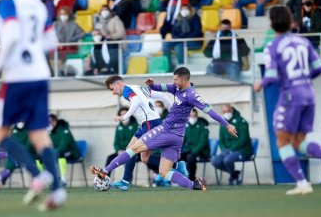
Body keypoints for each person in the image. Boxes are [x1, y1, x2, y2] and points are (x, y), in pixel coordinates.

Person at [0, 0, 65, 210]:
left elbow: (10, 36)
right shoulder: (39, 5)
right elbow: (51, 41)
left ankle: (37, 174)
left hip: (17, 77)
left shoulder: (7, 4)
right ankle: (59, 191)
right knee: (39, 135)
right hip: (40, 74)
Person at [91, 67, 238, 191]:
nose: (173, 82)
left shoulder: (192, 95)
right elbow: (161, 90)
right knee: (164, 172)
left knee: (132, 149)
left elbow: (210, 111)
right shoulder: (176, 88)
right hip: (177, 137)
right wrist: (152, 85)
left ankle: (106, 171)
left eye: (175, 79)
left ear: (184, 80)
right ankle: (194, 184)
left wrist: (227, 124)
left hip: (165, 130)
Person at [253, 6, 321, 195]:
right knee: (297, 141)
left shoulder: (273, 45)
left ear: (272, 24)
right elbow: (319, 68)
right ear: (290, 22)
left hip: (290, 96)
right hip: (308, 94)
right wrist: (303, 79)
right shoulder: (303, 42)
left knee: (282, 140)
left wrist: (259, 83)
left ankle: (308, 176)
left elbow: (270, 76)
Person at [102, 75, 187, 191]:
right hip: (151, 122)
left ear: (119, 84)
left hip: (149, 124)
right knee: (144, 158)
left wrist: (124, 117)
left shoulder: (127, 90)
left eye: (112, 89)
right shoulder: (140, 88)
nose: (113, 93)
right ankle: (177, 165)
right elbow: (162, 95)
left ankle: (125, 181)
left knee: (130, 150)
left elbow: (136, 101)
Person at [212, 104, 252, 185]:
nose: (226, 113)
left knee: (227, 159)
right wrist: (223, 150)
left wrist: (231, 149)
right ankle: (235, 174)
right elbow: (221, 140)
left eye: (228, 111)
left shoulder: (241, 121)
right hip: (228, 150)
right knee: (215, 161)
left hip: (242, 150)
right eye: (224, 112)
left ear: (232, 111)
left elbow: (244, 139)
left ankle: (233, 177)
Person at [0, 122, 35, 187]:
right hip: (16, 155)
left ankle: (0, 178)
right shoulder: (13, 130)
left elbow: (28, 146)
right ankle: (0, 179)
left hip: (28, 154)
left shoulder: (28, 130)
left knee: (15, 160)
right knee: (12, 160)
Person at [164, 3, 203, 68]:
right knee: (166, 45)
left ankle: (182, 68)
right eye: (182, 9)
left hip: (194, 41)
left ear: (190, 10)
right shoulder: (178, 19)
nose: (184, 10)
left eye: (186, 9)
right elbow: (173, 32)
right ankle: (169, 65)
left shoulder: (196, 18)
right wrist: (179, 38)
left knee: (178, 47)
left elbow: (197, 32)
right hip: (180, 40)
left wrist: (184, 39)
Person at [48, 114, 80, 186]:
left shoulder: (64, 130)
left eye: (50, 122)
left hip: (72, 152)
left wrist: (54, 152)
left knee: (60, 155)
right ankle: (51, 179)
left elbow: (64, 145)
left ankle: (63, 179)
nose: (49, 124)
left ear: (55, 121)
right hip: (59, 152)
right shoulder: (51, 132)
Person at [105, 107, 138, 176]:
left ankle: (127, 180)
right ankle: (105, 178)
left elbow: (137, 141)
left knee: (129, 159)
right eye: (122, 114)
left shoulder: (135, 126)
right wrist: (118, 150)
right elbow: (116, 143)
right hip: (121, 151)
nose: (123, 116)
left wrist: (129, 150)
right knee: (110, 158)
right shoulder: (118, 127)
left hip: (133, 151)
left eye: (125, 114)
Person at [181, 109, 210, 181]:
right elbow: (182, 140)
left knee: (190, 157)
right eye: (190, 116)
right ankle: (183, 178)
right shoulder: (186, 126)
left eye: (194, 116)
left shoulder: (203, 125)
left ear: (197, 116)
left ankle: (192, 178)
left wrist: (193, 152)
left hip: (201, 151)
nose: (192, 118)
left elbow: (203, 142)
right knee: (178, 157)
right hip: (189, 150)